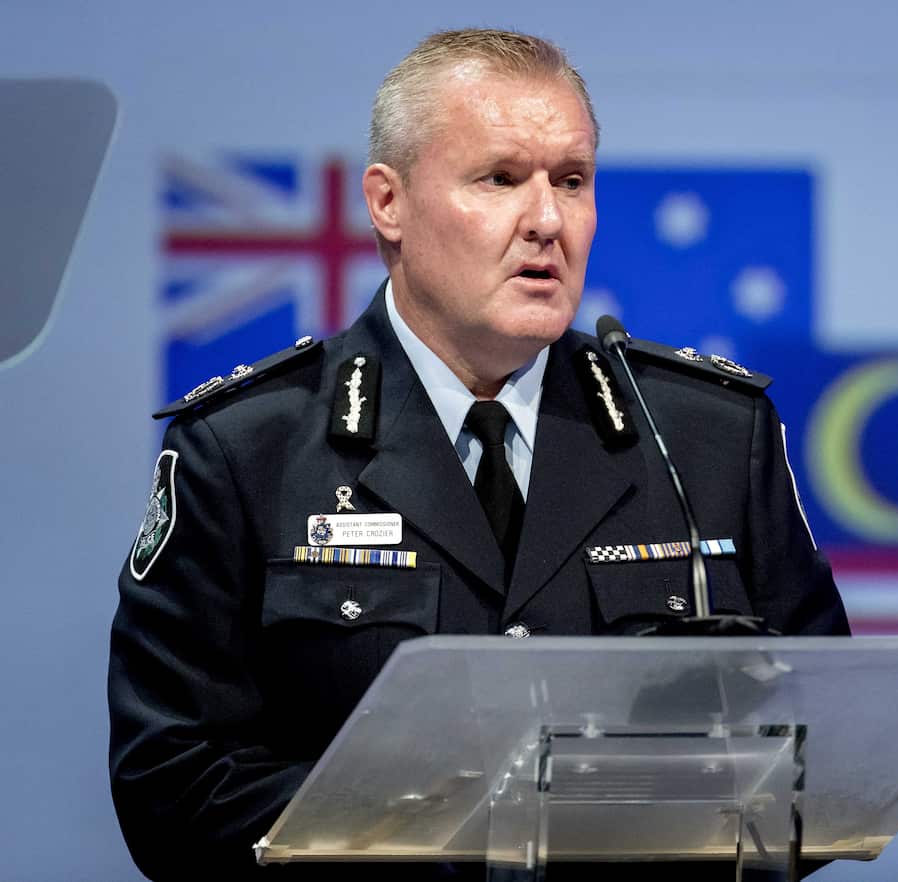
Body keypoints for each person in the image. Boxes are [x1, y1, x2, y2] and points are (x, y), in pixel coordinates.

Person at [109, 28, 849, 880]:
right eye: (499, 179)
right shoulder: (246, 448)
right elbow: (172, 785)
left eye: (571, 181)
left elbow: (822, 750)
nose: (546, 220)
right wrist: (457, 830)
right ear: (389, 203)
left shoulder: (707, 437)